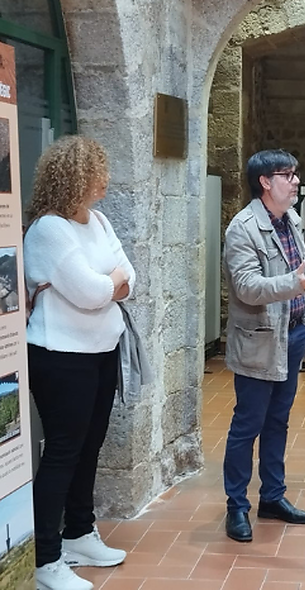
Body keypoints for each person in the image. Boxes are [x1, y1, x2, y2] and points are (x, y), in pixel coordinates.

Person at [25, 135, 133, 590]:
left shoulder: (100, 221)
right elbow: (94, 292)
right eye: (96, 172)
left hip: (101, 351)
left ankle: (79, 534)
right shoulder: (49, 229)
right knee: (63, 453)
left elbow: (131, 277)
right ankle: (47, 558)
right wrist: (107, 285)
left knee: (89, 449)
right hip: (59, 357)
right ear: (73, 178)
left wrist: (105, 285)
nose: (105, 180)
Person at [223, 149, 305, 542]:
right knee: (247, 424)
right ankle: (236, 506)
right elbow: (247, 288)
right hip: (258, 341)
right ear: (266, 182)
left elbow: (304, 269)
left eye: (296, 174)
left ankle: (272, 497)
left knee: (278, 421)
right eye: (288, 175)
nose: (296, 181)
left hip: (292, 335)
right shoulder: (243, 228)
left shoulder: (292, 220)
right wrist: (294, 286)